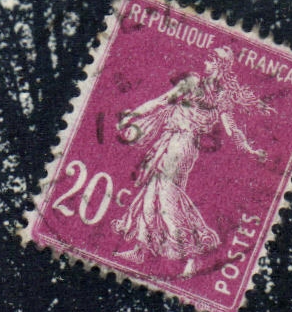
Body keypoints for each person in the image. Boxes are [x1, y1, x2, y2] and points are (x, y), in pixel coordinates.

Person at [112, 45, 272, 278]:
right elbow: (165, 102)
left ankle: (192, 257)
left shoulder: (209, 90)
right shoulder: (210, 90)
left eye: (210, 60)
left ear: (219, 66)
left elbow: (163, 102)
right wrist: (133, 115)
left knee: (167, 197)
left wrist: (132, 115)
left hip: (181, 144)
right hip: (178, 143)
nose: (205, 63)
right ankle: (141, 249)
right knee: (153, 192)